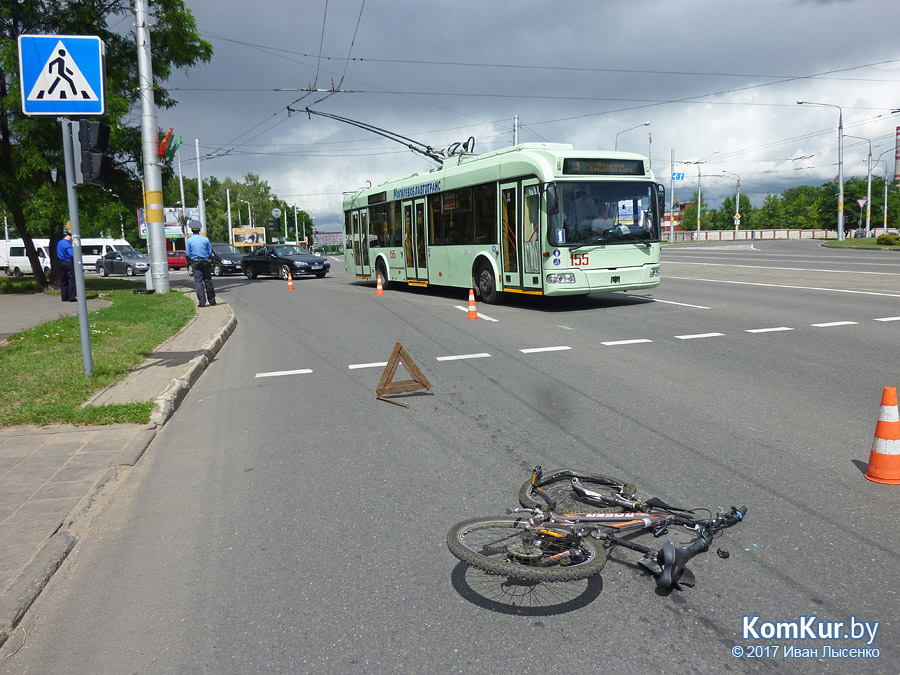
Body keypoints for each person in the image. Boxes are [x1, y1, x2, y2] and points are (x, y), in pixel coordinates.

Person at [186, 224, 216, 307]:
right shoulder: (205, 239)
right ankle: (212, 301)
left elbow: (188, 253)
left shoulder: (189, 240)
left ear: (192, 230)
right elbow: (209, 252)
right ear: (199, 230)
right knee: (208, 281)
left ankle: (202, 302)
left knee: (198, 282)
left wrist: (192, 257)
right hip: (206, 261)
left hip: (195, 262)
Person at [57, 232, 76, 302]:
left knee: (63, 280)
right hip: (69, 262)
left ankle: (64, 297)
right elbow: (72, 254)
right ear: (70, 237)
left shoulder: (60, 243)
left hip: (61, 262)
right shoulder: (68, 245)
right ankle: (71, 297)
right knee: (71, 279)